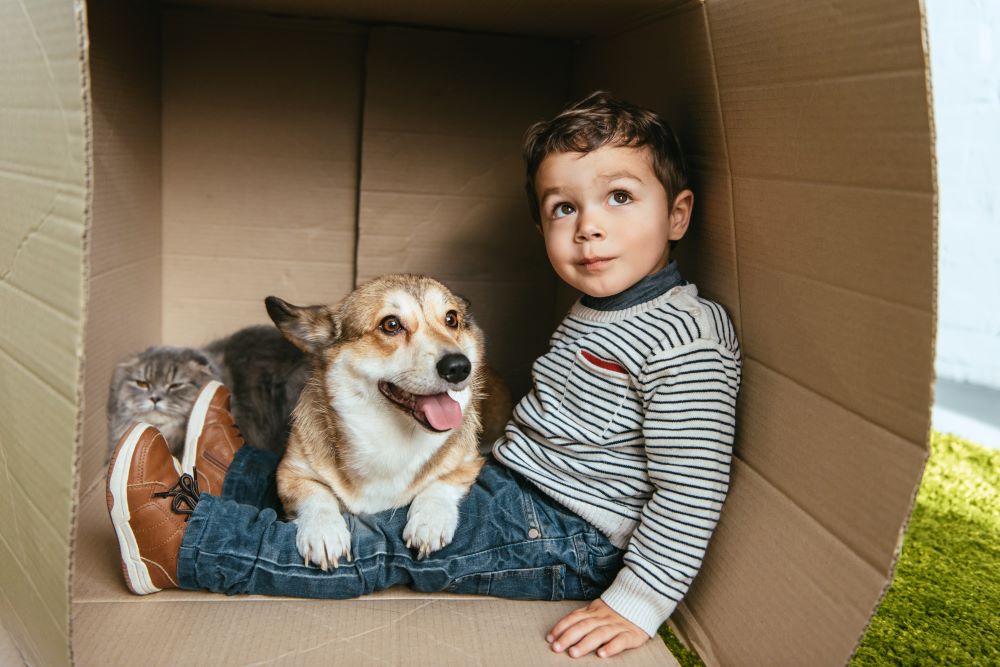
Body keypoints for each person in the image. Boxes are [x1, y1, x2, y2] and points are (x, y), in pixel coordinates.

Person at [106, 91, 741, 659]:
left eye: (620, 198)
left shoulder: (687, 337)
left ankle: (190, 549)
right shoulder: (602, 307)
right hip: (513, 486)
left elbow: (693, 489)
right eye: (563, 209)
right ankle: (233, 472)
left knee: (380, 545)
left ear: (678, 215)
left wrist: (638, 602)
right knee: (367, 495)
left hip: (571, 537)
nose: (590, 226)